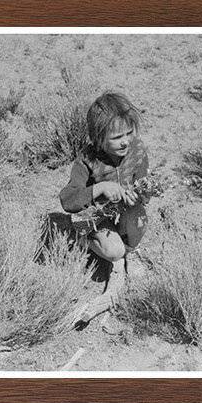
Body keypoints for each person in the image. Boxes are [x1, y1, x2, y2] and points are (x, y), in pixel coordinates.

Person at [59, 91, 150, 292]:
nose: (125, 141)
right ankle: (84, 238)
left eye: (128, 133)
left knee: (140, 218)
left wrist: (138, 195)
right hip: (97, 216)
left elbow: (144, 186)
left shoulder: (137, 150)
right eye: (117, 137)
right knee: (114, 251)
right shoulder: (88, 160)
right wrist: (100, 188)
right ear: (99, 138)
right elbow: (67, 200)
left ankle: (131, 252)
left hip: (123, 210)